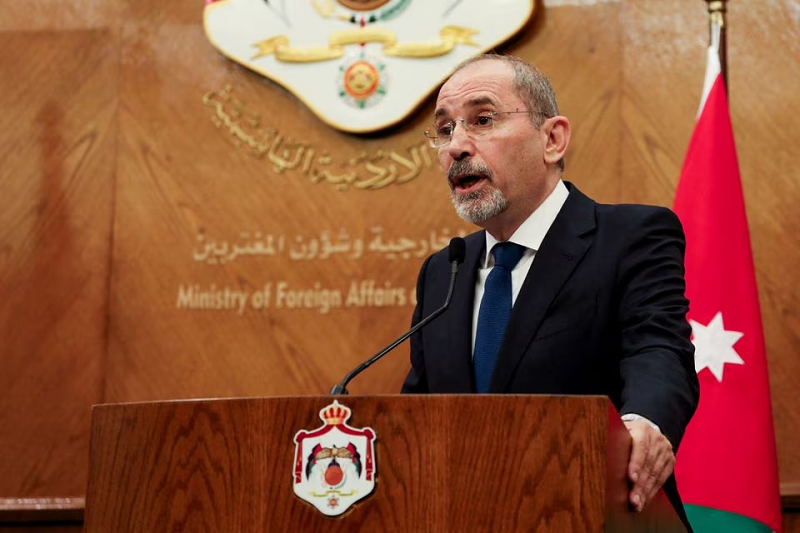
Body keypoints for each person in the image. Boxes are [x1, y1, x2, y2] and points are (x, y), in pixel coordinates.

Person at [401, 54, 699, 528]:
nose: (456, 145)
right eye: (444, 130)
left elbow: (658, 348)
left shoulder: (630, 236)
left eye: (482, 120)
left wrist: (646, 421)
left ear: (552, 138)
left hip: (597, 514)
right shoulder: (445, 272)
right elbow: (419, 419)